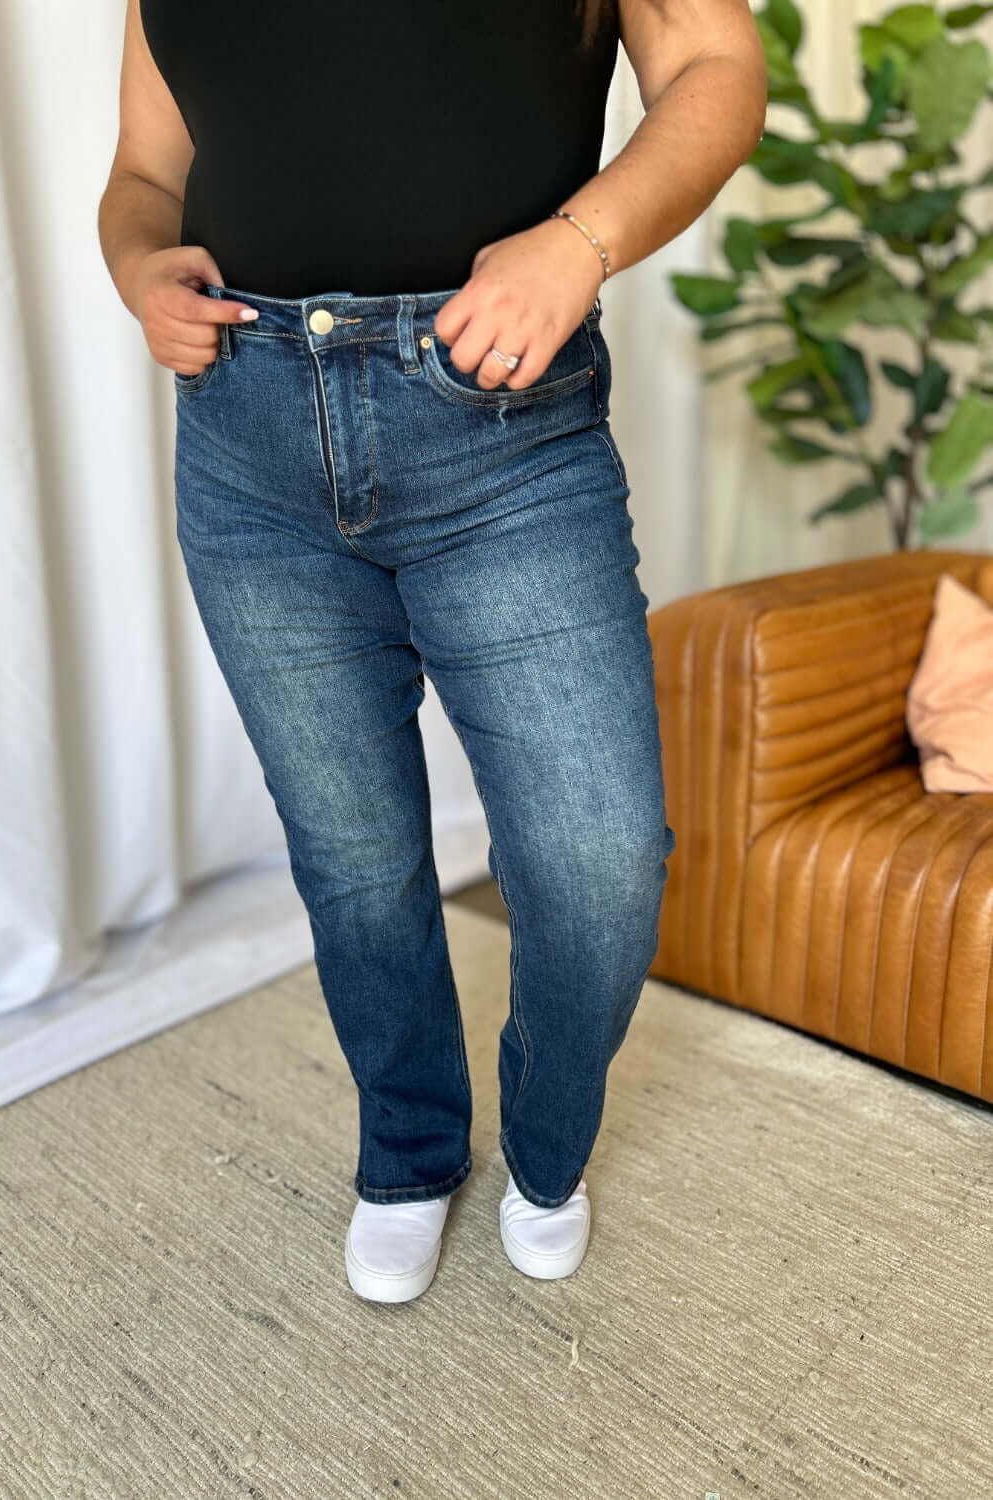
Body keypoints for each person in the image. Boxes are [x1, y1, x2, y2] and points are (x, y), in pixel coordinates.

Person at [98, 0, 767, 1304]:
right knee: (354, 861)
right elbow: (144, 170)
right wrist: (136, 267)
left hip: (499, 430)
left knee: (595, 863)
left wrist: (579, 243)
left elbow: (714, 67)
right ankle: (406, 1155)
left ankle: (546, 1151)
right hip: (246, 441)